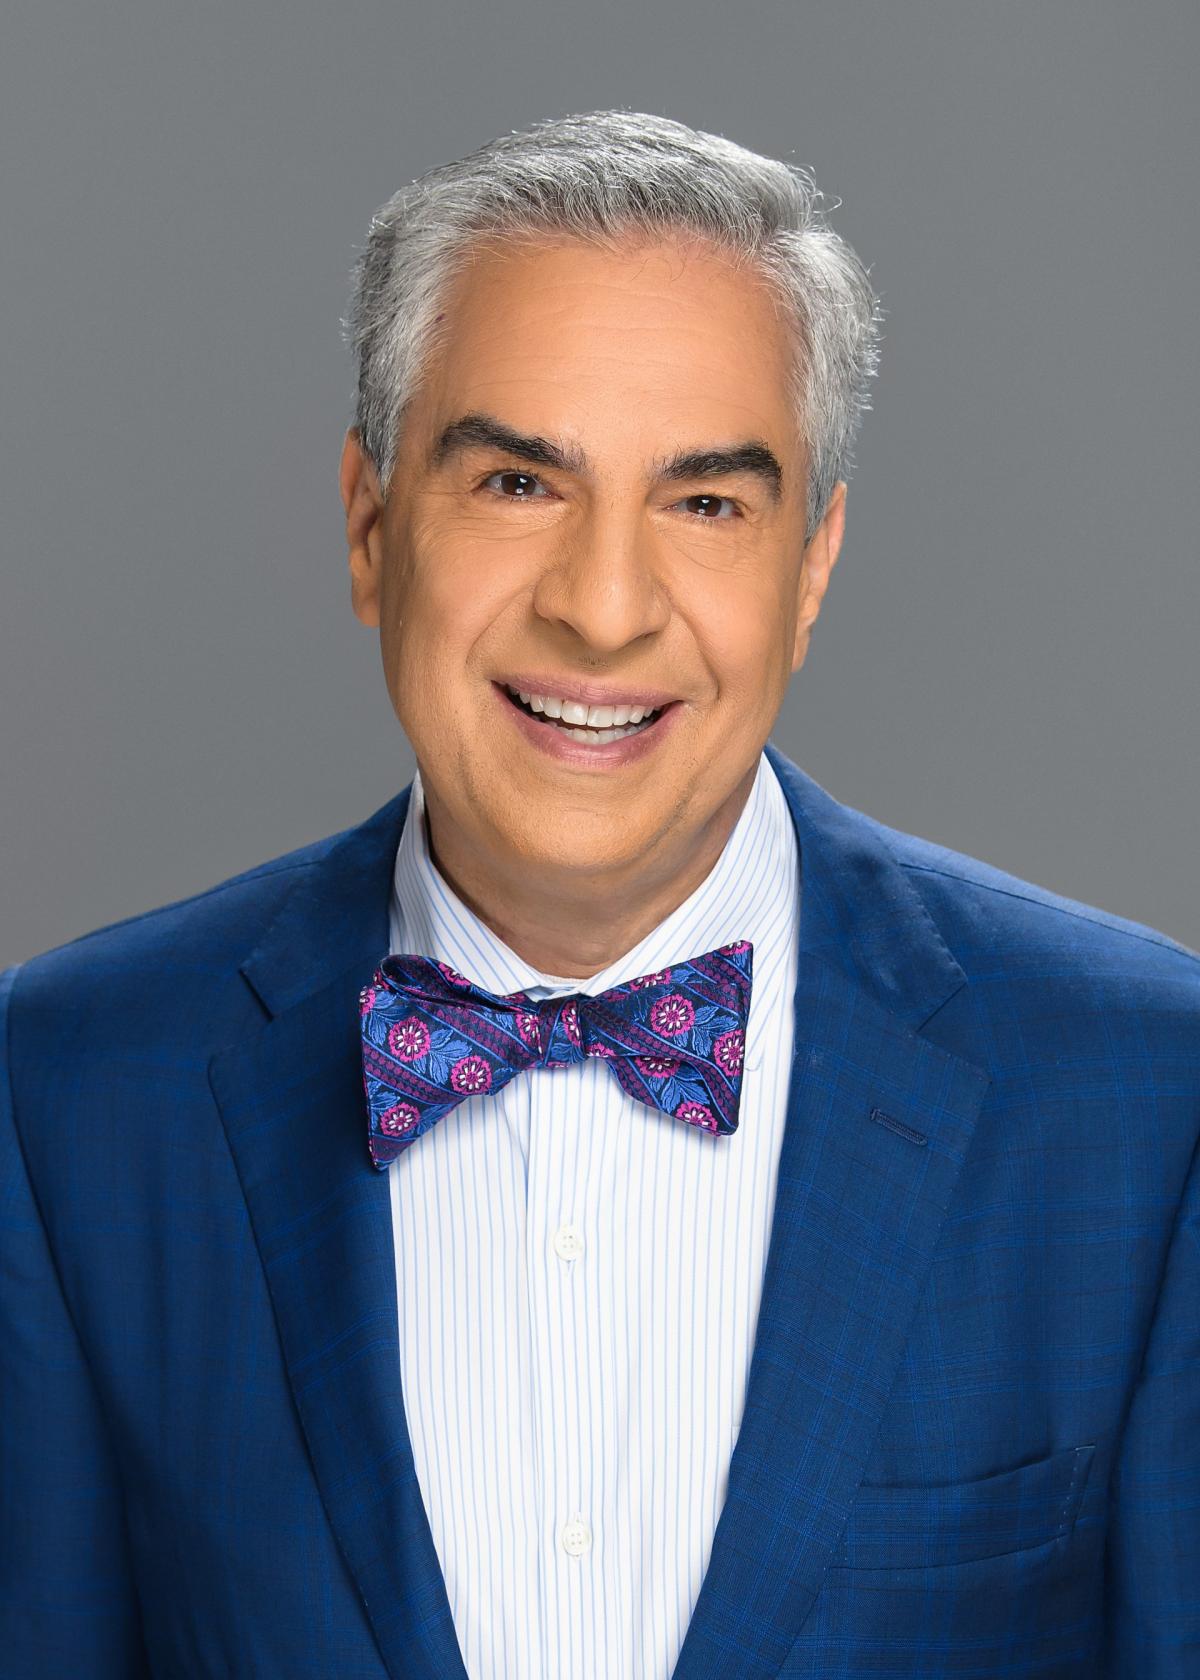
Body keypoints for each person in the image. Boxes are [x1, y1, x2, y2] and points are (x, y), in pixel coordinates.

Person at [1, 109, 1196, 1680]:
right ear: (371, 528)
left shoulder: (1148, 1092)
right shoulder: (71, 1089)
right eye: (515, 482)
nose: (605, 607)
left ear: (812, 564)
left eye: (705, 503)